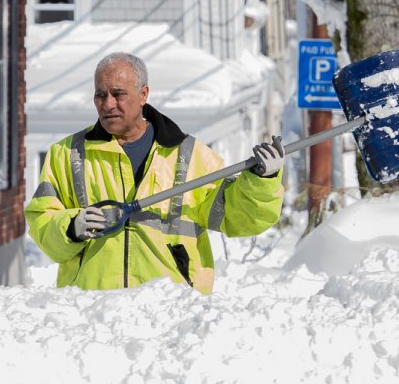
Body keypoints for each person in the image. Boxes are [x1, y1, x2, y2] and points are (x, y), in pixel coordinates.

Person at [25, 52, 285, 293]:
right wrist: (71, 227)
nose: (108, 104)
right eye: (100, 95)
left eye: (118, 94)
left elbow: (239, 219)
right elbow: (42, 223)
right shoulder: (68, 154)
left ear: (143, 94)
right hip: (92, 308)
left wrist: (263, 180)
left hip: (169, 307)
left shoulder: (190, 155)